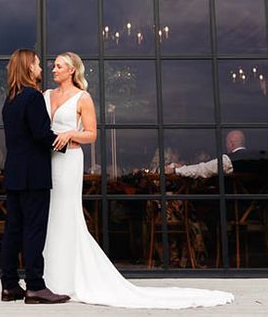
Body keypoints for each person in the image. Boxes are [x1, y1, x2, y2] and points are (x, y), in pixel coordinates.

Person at [42, 51, 234, 309]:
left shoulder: (82, 98)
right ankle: (50, 278)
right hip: (47, 161)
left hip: (69, 161)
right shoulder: (45, 95)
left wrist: (70, 134)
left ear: (72, 71)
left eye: (58, 66)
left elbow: (91, 135)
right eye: (53, 66)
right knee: (50, 214)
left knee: (67, 213)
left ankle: (70, 278)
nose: (53, 70)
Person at [0, 48, 70, 305]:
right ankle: (35, 287)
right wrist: (64, 142)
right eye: (39, 64)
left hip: (15, 173)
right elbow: (41, 134)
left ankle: (9, 286)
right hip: (34, 176)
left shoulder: (10, 100)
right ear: (29, 68)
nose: (42, 68)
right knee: (34, 231)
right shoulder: (32, 97)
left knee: (13, 231)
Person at [166, 129, 247, 178]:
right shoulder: (253, 158)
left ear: (230, 144)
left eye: (226, 142)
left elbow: (204, 170)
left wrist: (176, 170)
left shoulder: (230, 161)